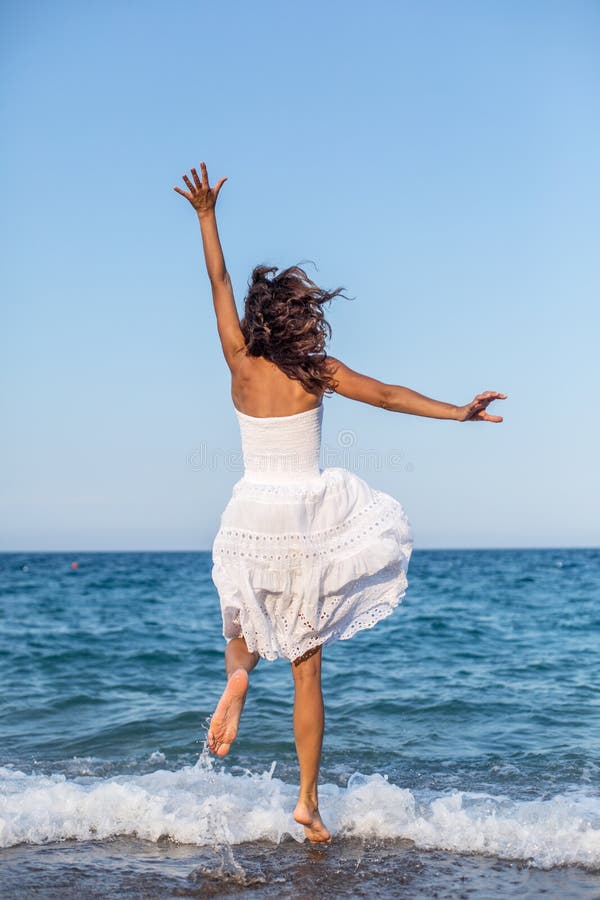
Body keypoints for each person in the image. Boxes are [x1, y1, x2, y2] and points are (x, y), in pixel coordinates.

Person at [173, 162, 507, 843]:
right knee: (307, 668)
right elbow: (386, 395)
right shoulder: (316, 371)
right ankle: (306, 803)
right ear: (303, 319)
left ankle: (237, 680)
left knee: (242, 623)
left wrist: (206, 217)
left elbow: (217, 282)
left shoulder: (238, 363)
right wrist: (457, 414)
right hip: (306, 520)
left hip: (250, 515)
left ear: (256, 321)